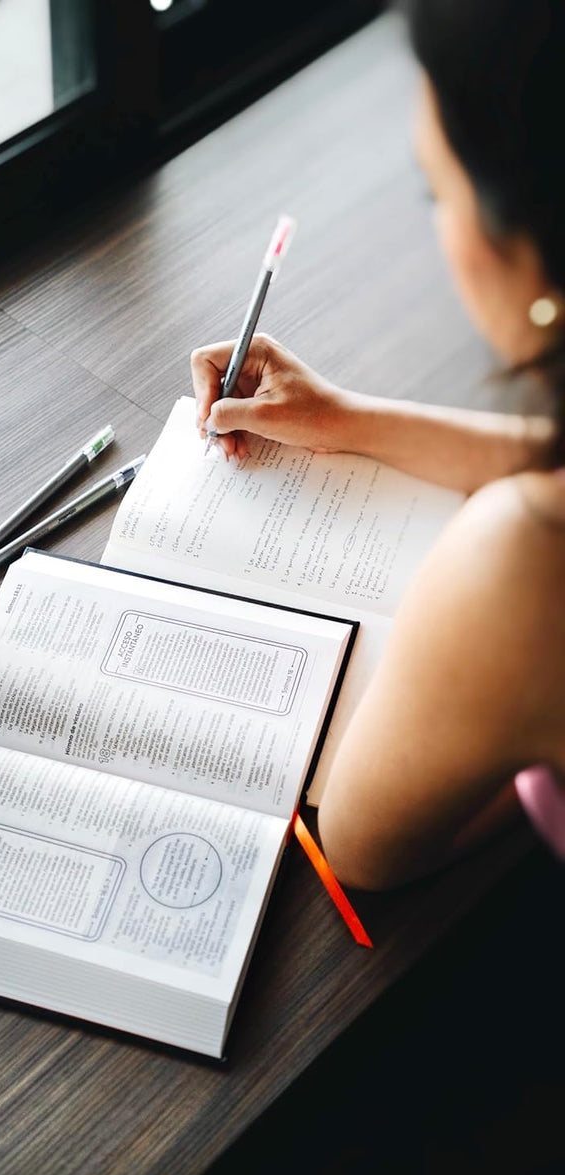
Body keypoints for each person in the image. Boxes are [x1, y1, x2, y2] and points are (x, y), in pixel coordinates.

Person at [190, 0, 565, 891]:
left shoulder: (526, 566)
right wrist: (347, 419)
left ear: (526, 242)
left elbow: (361, 846)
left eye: (440, 192)